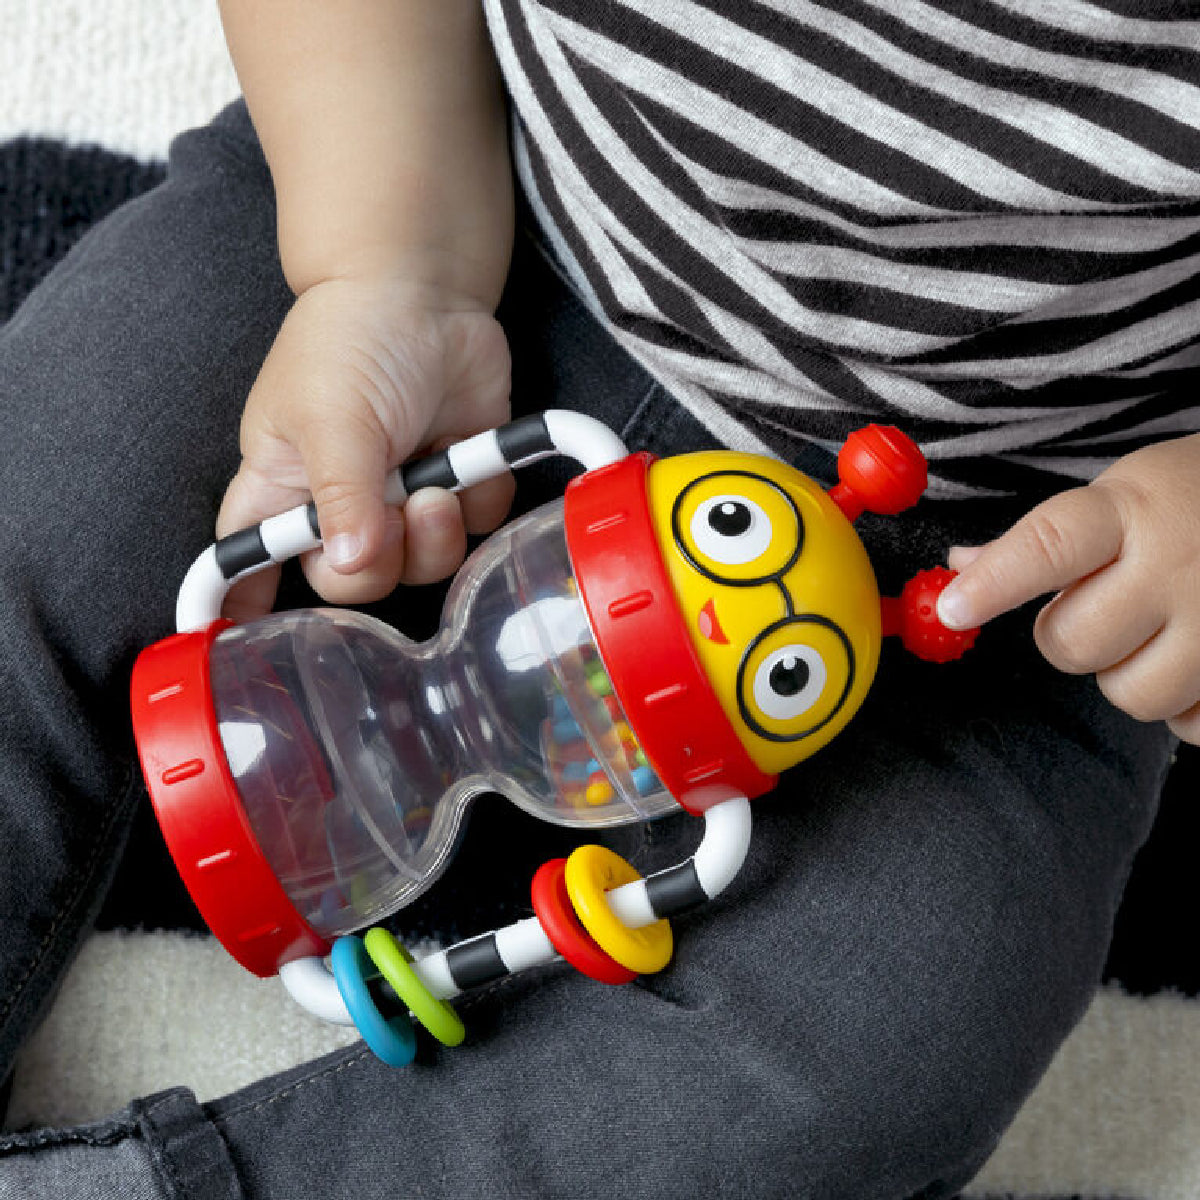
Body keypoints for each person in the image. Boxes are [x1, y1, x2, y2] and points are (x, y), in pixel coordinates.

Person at [0, 2, 1193, 1196]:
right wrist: (383, 254)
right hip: (442, 195)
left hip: (1015, 547)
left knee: (903, 1011)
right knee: (63, 466)